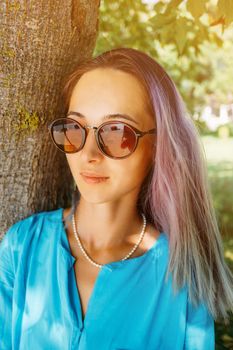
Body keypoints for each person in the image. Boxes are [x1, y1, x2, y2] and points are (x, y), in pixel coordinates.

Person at [0, 48, 233, 350]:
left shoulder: (183, 278)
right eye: (74, 128)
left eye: (117, 133)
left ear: (158, 145)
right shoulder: (22, 247)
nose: (89, 154)